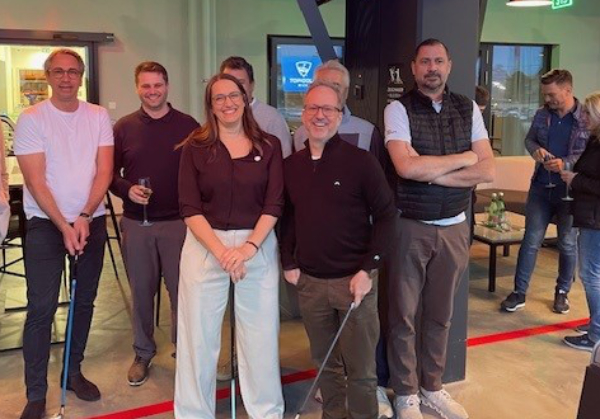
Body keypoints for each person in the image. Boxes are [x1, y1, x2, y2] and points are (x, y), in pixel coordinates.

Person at [384, 39, 494, 419]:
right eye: (425, 61)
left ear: (449, 65)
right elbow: (405, 167)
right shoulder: (398, 109)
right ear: (414, 67)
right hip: (410, 227)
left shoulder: (468, 108)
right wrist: (464, 158)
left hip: (454, 229)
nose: (432, 67)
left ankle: (432, 387)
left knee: (440, 314)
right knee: (403, 316)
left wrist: (431, 172)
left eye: (438, 61)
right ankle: (405, 393)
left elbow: (487, 169)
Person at [280, 80, 397, 419]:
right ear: (303, 114)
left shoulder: (361, 162)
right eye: (313, 108)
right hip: (311, 284)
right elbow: (288, 218)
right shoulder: (292, 166)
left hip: (353, 283)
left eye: (328, 109)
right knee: (325, 365)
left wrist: (368, 269)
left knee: (361, 371)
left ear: (339, 114)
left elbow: (387, 216)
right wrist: (288, 261)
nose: (320, 115)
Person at [175, 73, 284, 418]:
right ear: (210, 106)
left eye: (233, 95)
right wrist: (222, 251)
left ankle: (266, 410)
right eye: (218, 98)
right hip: (206, 244)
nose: (227, 103)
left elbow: (274, 204)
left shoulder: (269, 145)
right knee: (198, 336)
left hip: (256, 244)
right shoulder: (194, 147)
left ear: (245, 97)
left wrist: (247, 248)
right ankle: (194, 412)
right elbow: (189, 207)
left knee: (260, 335)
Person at [14, 48, 114, 419]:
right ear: (48, 76)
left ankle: (72, 372)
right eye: (58, 71)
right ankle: (36, 392)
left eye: (73, 71)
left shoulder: (98, 115)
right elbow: (35, 180)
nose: (66, 78)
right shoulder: (32, 119)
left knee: (84, 301)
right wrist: (64, 224)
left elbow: (104, 171)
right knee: (41, 308)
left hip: (91, 220)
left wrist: (85, 215)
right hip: (46, 223)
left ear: (81, 75)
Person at [110, 61, 199, 386]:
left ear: (167, 86)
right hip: (137, 224)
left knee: (182, 292)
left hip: (179, 223)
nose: (152, 91)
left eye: (157, 85)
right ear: (137, 88)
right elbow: (109, 175)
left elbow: (202, 171)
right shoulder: (124, 127)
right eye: (145, 86)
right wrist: (126, 189)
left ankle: (184, 351)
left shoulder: (189, 126)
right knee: (142, 291)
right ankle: (143, 352)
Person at [500, 69, 589, 314]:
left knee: (567, 243)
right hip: (540, 187)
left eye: (551, 95)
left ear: (568, 90)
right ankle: (519, 292)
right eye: (545, 95)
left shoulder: (586, 118)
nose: (547, 99)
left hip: (570, 191)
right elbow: (530, 140)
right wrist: (535, 151)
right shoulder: (542, 114)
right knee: (530, 240)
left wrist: (565, 163)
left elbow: (590, 154)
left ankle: (562, 292)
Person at [561, 91, 600, 352]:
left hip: (596, 219)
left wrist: (575, 180)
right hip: (590, 215)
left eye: (587, 112)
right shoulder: (594, 141)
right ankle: (596, 323)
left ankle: (596, 334)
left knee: (590, 274)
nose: (583, 116)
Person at [293, 60, 386, 166]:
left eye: (336, 86)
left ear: (346, 92)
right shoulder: (301, 134)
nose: (329, 91)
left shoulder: (367, 132)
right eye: (323, 84)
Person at [220, 56, 293, 158]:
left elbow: (284, 159)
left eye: (240, 83)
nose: (234, 88)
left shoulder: (272, 118)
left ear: (252, 85)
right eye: (229, 82)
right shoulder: (217, 114)